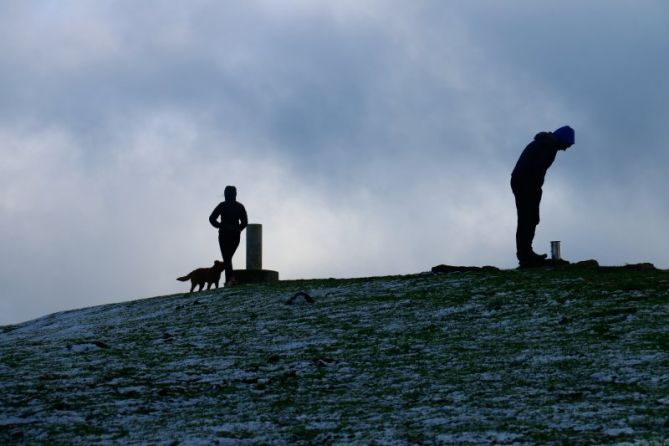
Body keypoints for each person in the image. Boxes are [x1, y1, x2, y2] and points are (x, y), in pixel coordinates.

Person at [511, 126, 575, 267]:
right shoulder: (548, 145)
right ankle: (526, 256)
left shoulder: (546, 143)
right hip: (525, 183)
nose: (565, 149)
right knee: (528, 218)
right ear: (563, 140)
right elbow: (537, 168)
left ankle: (526, 254)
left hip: (524, 182)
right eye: (567, 145)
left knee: (529, 218)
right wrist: (535, 187)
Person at [209, 186, 248, 285]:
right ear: (235, 194)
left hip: (224, 234)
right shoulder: (240, 206)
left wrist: (220, 226)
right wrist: (238, 229)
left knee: (227, 258)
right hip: (235, 235)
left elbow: (212, 219)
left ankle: (230, 280)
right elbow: (245, 222)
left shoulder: (222, 205)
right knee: (227, 258)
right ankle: (230, 280)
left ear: (226, 194)